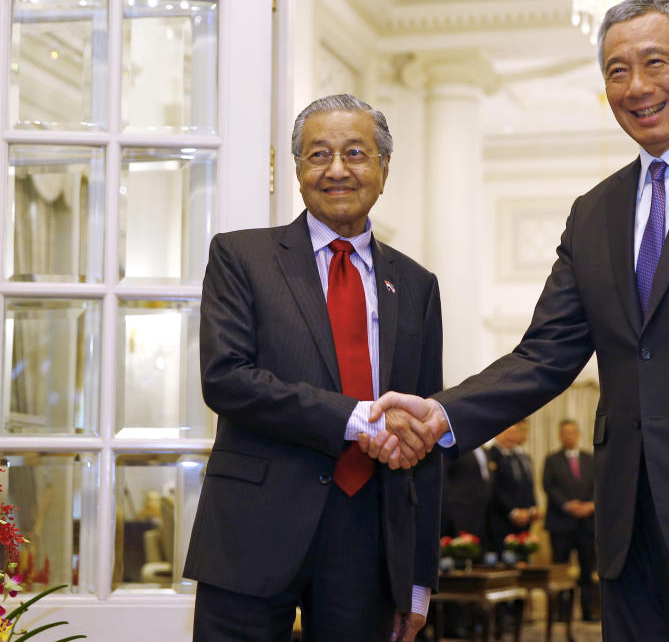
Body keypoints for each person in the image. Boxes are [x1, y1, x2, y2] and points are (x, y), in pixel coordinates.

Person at [364, 0, 669, 642]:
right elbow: (543, 355)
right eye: (617, 71)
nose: (637, 86)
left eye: (655, 62)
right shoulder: (594, 211)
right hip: (625, 534)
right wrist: (442, 414)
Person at [184, 93, 443, 642]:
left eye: (355, 153)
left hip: (367, 539)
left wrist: (417, 579)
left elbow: (425, 436)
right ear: (298, 170)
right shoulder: (241, 258)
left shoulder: (417, 285)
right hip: (251, 531)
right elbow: (225, 378)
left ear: (383, 168)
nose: (338, 170)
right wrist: (355, 419)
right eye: (318, 155)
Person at [542, 419, 597, 622]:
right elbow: (548, 486)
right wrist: (568, 505)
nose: (569, 436)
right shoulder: (552, 459)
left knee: (587, 570)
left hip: (587, 524)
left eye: (573, 432)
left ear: (578, 434)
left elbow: (599, 485)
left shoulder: (590, 458)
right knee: (561, 572)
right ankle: (562, 612)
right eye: (565, 433)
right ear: (560, 435)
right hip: (561, 525)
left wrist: (591, 505)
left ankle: (587, 611)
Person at [486, 419, 540, 554]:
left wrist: (532, 507)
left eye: (514, 432)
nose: (511, 436)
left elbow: (529, 484)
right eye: (507, 432)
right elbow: (495, 488)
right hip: (501, 519)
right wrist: (513, 511)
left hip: (524, 519)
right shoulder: (491, 455)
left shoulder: (522, 456)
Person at [442, 446, 493, 549]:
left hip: (481, 507)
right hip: (460, 507)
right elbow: (445, 477)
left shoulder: (485, 451)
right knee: (461, 547)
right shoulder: (457, 448)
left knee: (478, 547)